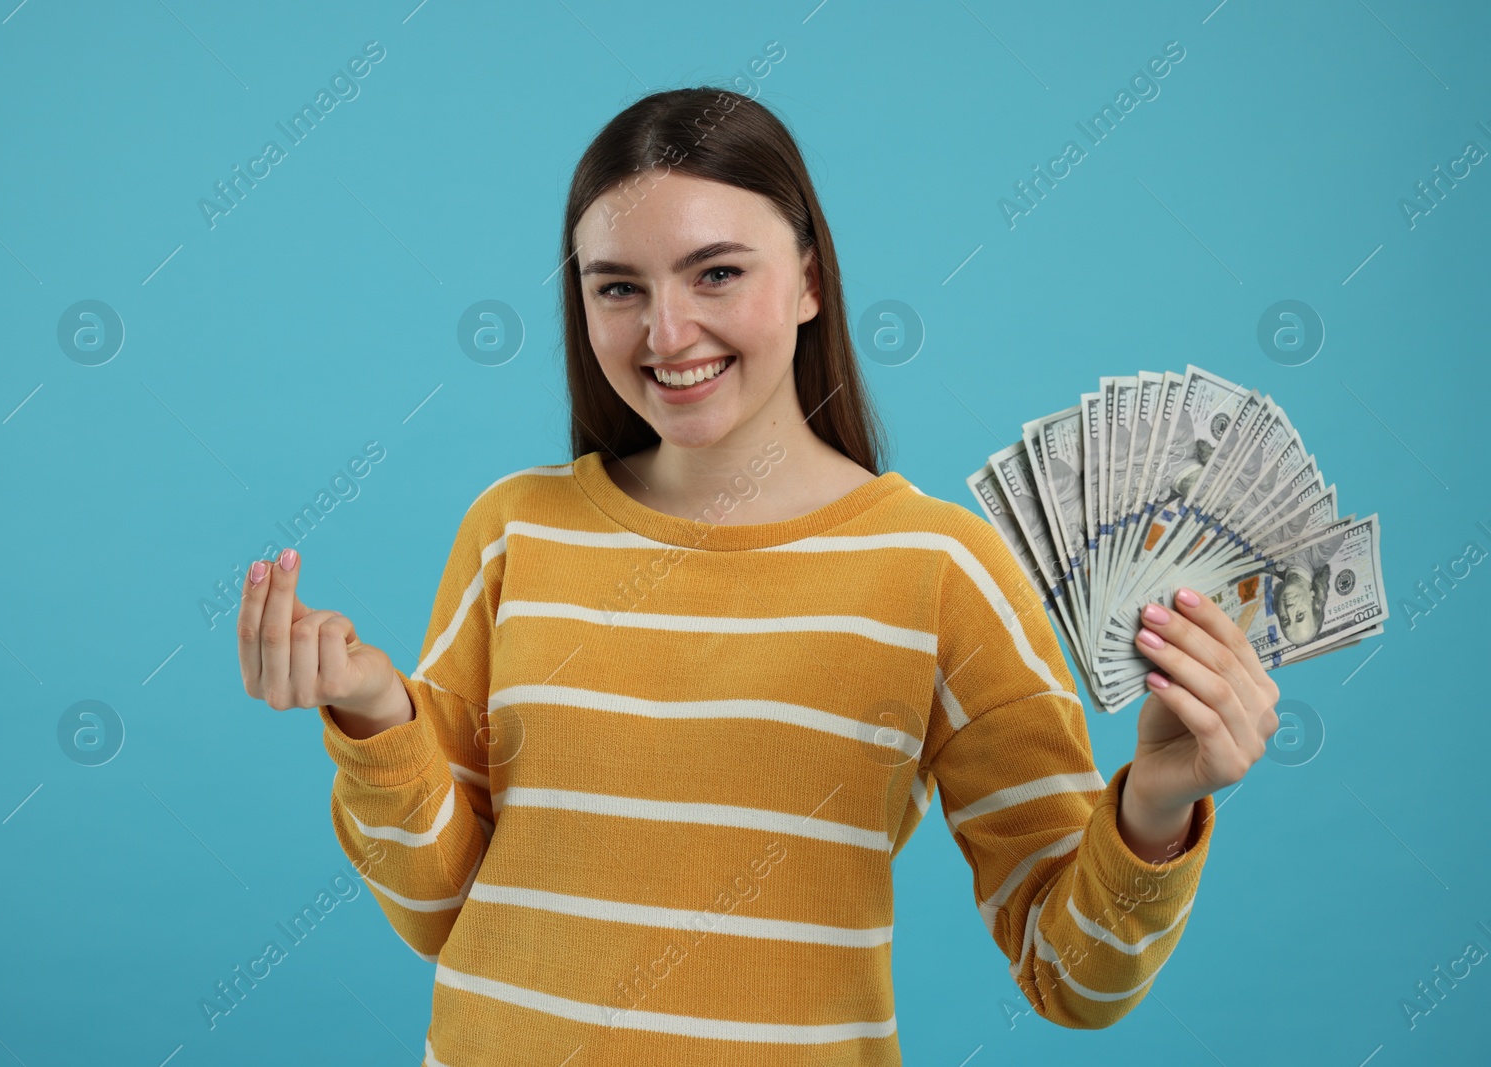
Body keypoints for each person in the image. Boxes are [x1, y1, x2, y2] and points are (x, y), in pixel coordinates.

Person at [237, 86, 1281, 1065]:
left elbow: (1075, 980)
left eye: (717, 273)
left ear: (812, 279)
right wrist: (377, 716)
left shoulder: (941, 569)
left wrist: (1157, 803)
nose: (667, 332)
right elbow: (437, 908)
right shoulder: (513, 530)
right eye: (618, 288)